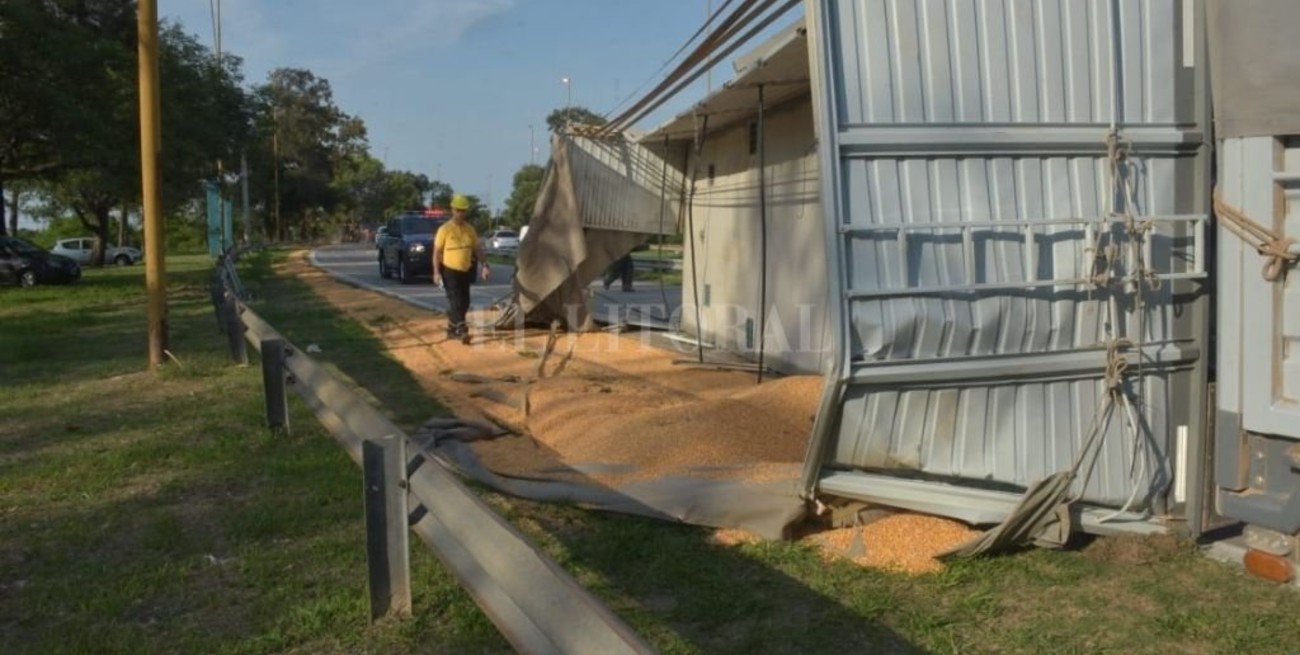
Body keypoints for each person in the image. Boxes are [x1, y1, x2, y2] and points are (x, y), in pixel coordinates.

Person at [433, 194, 490, 342]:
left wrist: (485, 265)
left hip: (465, 271)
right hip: (449, 271)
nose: (461, 213)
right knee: (456, 301)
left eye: (463, 210)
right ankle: (462, 330)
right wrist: (436, 272)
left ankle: (452, 328)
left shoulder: (469, 229)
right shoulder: (444, 229)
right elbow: (437, 253)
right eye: (458, 210)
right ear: (452, 210)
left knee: (464, 302)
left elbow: (477, 249)